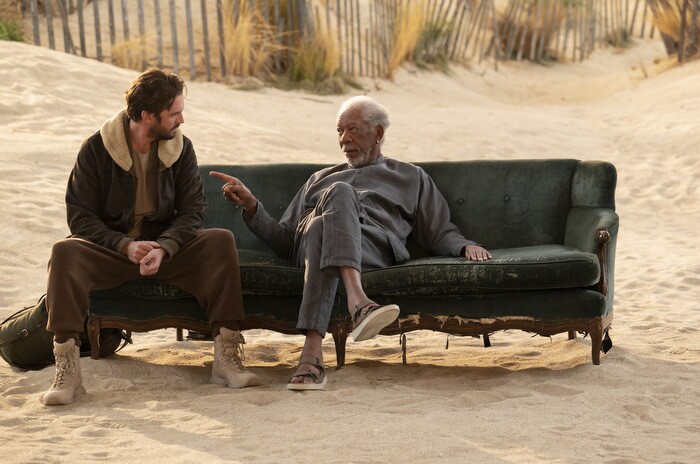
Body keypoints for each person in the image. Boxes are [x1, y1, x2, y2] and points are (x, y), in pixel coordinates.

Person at [210, 96, 491, 391]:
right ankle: (359, 303)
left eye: (353, 130)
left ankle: (312, 357)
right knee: (330, 207)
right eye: (339, 131)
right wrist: (252, 206)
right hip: (310, 249)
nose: (344, 139)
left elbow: (438, 230)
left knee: (323, 222)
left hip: (371, 247)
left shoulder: (411, 176)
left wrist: (463, 246)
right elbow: (285, 243)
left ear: (378, 133)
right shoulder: (320, 179)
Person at [42, 68, 259, 406]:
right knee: (64, 251)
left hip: (165, 253)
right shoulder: (96, 150)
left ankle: (226, 360)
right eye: (174, 113)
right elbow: (80, 216)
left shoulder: (181, 150)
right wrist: (123, 244)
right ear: (147, 116)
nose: (182, 119)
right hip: (114, 253)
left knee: (219, 240)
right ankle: (68, 371)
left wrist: (166, 246)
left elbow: (193, 212)